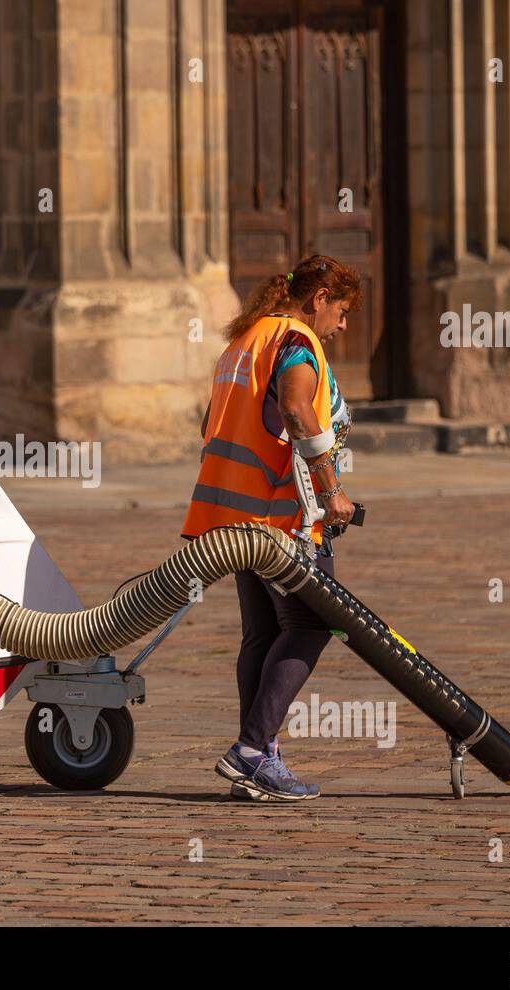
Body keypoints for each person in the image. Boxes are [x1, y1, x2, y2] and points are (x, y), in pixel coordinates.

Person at [181, 254, 361, 803]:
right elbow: (299, 411)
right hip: (281, 521)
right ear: (319, 298)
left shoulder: (245, 339)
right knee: (310, 625)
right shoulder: (297, 342)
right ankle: (254, 751)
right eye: (343, 310)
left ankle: (260, 755)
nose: (344, 324)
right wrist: (331, 493)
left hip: (232, 516)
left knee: (261, 634)